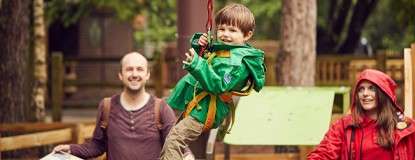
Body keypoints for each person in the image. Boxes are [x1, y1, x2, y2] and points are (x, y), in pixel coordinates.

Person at [160, 3, 266, 159]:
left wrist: (196, 64)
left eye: (232, 30)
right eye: (221, 29)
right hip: (197, 104)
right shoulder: (227, 51)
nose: (225, 34)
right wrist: (200, 45)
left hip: (207, 110)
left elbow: (218, 84)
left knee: (175, 139)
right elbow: (209, 63)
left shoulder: (238, 64)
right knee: (168, 132)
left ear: (247, 35)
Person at [53, 52, 192, 160]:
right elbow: (97, 146)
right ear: (120, 74)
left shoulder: (161, 108)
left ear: (147, 75)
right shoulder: (106, 106)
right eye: (129, 69)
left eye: (140, 69)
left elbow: (178, 145)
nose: (134, 74)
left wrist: (188, 156)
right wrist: (70, 149)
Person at [308, 69, 415, 160]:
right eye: (361, 89)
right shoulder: (344, 126)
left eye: (371, 89)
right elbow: (323, 154)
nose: (365, 94)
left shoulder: (405, 128)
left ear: (383, 93)